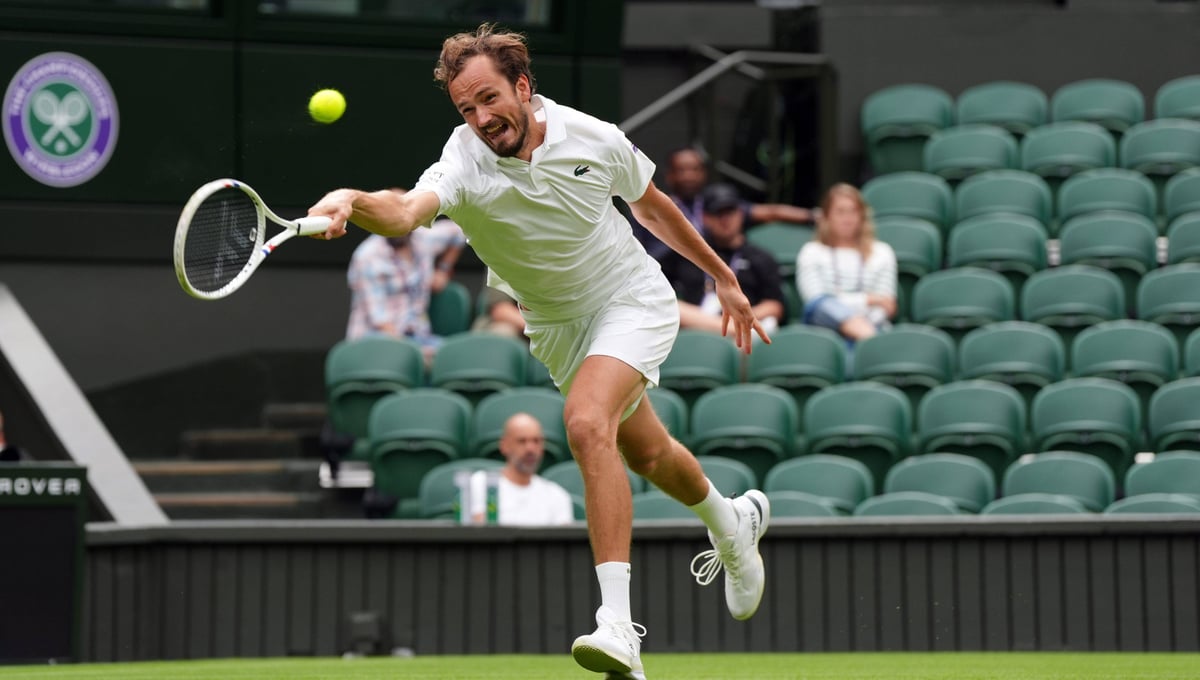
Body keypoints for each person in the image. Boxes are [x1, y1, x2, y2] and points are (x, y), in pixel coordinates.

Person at [307, 24, 771, 680]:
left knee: (586, 423)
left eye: (490, 99)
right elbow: (407, 209)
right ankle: (732, 522)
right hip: (555, 325)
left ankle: (618, 627)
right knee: (645, 452)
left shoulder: (594, 137)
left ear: (523, 88)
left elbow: (655, 209)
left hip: (629, 299)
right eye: (466, 108)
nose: (481, 117)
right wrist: (352, 202)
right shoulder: (463, 160)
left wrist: (723, 276)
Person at [634, 147, 814, 260]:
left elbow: (771, 212)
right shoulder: (651, 207)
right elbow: (642, 256)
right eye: (681, 170)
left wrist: (813, 216)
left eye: (694, 169)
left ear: (704, 173)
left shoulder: (715, 204)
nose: (689, 176)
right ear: (669, 175)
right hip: (670, 276)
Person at [660, 183, 786, 336]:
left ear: (740, 213)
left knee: (768, 323)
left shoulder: (760, 257)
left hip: (743, 332)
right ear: (705, 217)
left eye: (730, 211)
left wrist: (739, 318)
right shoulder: (688, 251)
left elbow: (774, 305)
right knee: (673, 307)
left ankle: (728, 329)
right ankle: (725, 329)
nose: (725, 219)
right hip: (694, 331)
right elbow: (656, 289)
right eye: (718, 213)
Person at [345, 211, 465, 363]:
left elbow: (460, 232)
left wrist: (444, 269)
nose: (395, 228)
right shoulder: (368, 256)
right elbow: (381, 321)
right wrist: (416, 353)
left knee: (457, 357)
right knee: (415, 361)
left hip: (419, 336)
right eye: (389, 222)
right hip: (376, 340)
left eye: (400, 221)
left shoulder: (423, 238)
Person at [797, 183, 898, 342]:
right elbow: (815, 302)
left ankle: (865, 336)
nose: (847, 218)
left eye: (853, 211)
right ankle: (870, 338)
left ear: (862, 216)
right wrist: (868, 299)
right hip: (823, 331)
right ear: (827, 216)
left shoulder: (882, 252)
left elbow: (887, 306)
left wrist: (854, 318)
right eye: (840, 212)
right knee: (819, 304)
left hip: (872, 325)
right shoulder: (811, 251)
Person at [468, 413, 574, 526]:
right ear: (504, 445)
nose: (530, 449)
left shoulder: (557, 496)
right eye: (522, 441)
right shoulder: (480, 484)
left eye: (536, 441)